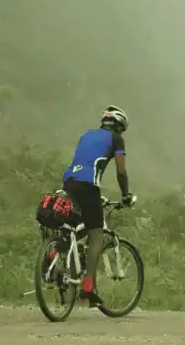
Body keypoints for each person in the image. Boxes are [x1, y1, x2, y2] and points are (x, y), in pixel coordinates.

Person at [61, 105, 136, 306]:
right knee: (97, 235)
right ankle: (87, 287)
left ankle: (55, 255)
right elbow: (121, 171)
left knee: (72, 228)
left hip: (69, 181)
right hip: (89, 185)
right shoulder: (116, 139)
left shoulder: (86, 135)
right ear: (119, 127)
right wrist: (126, 194)